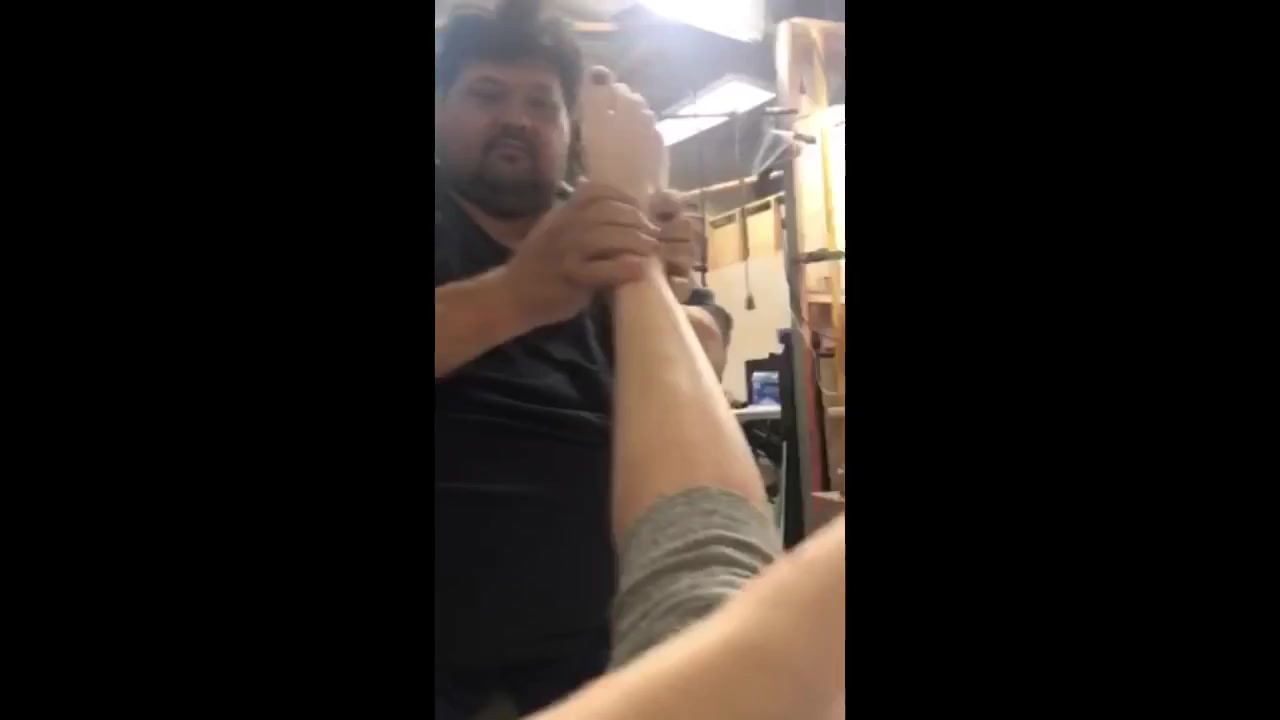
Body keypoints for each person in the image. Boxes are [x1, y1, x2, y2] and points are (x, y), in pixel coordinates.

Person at [433, 4, 733, 716]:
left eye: (543, 104)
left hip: (610, 652)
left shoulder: (602, 221)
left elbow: (704, 361)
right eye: (487, 94)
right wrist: (518, 293)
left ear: (570, 130)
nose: (517, 119)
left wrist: (661, 281)